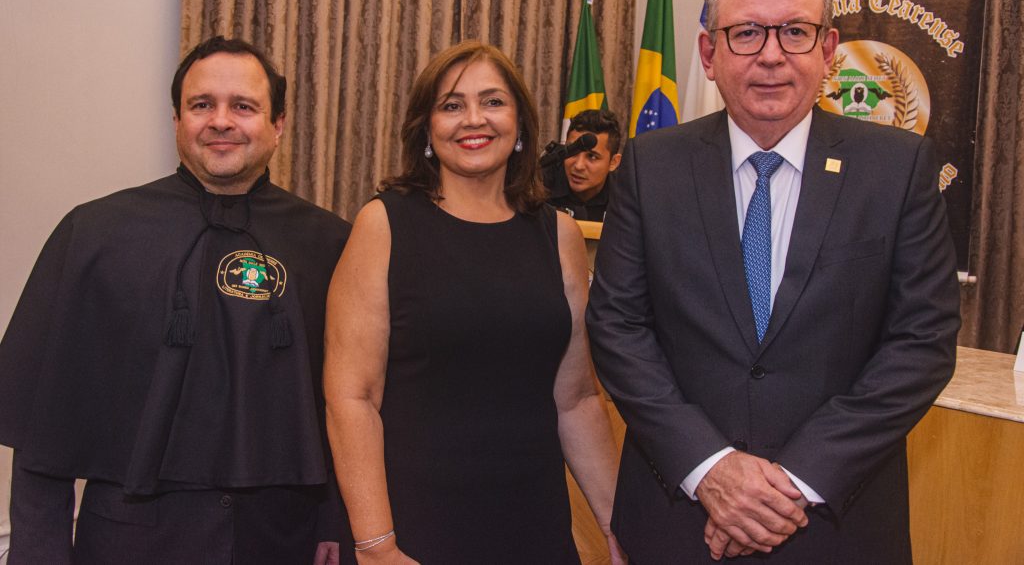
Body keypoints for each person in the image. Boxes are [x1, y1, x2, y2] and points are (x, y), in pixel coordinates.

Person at [586, 0, 960, 564]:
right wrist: (711, 470)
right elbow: (617, 328)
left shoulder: (897, 168)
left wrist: (791, 485)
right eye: (746, 33)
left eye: (794, 31)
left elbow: (922, 342)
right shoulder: (650, 167)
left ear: (828, 49)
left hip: (837, 526)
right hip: (680, 523)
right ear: (709, 53)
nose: (771, 54)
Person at [0, 36, 352, 564]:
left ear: (278, 124)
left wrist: (336, 525)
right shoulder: (94, 236)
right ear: (177, 119)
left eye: (243, 106)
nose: (221, 121)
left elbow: (348, 403)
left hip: (283, 541)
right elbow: (43, 424)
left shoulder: (330, 245)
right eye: (202, 104)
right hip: (129, 541)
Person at [324, 40, 626, 564]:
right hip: (415, 531)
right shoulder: (385, 224)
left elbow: (576, 399)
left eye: (492, 101)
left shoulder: (559, 235)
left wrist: (617, 526)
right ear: (426, 128)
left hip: (535, 526)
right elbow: (352, 397)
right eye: (451, 105)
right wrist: (376, 546)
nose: (473, 119)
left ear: (520, 123)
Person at [546, 109, 623, 222]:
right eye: (572, 151)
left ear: (613, 162)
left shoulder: (626, 196)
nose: (578, 166)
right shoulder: (540, 186)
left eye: (592, 156)